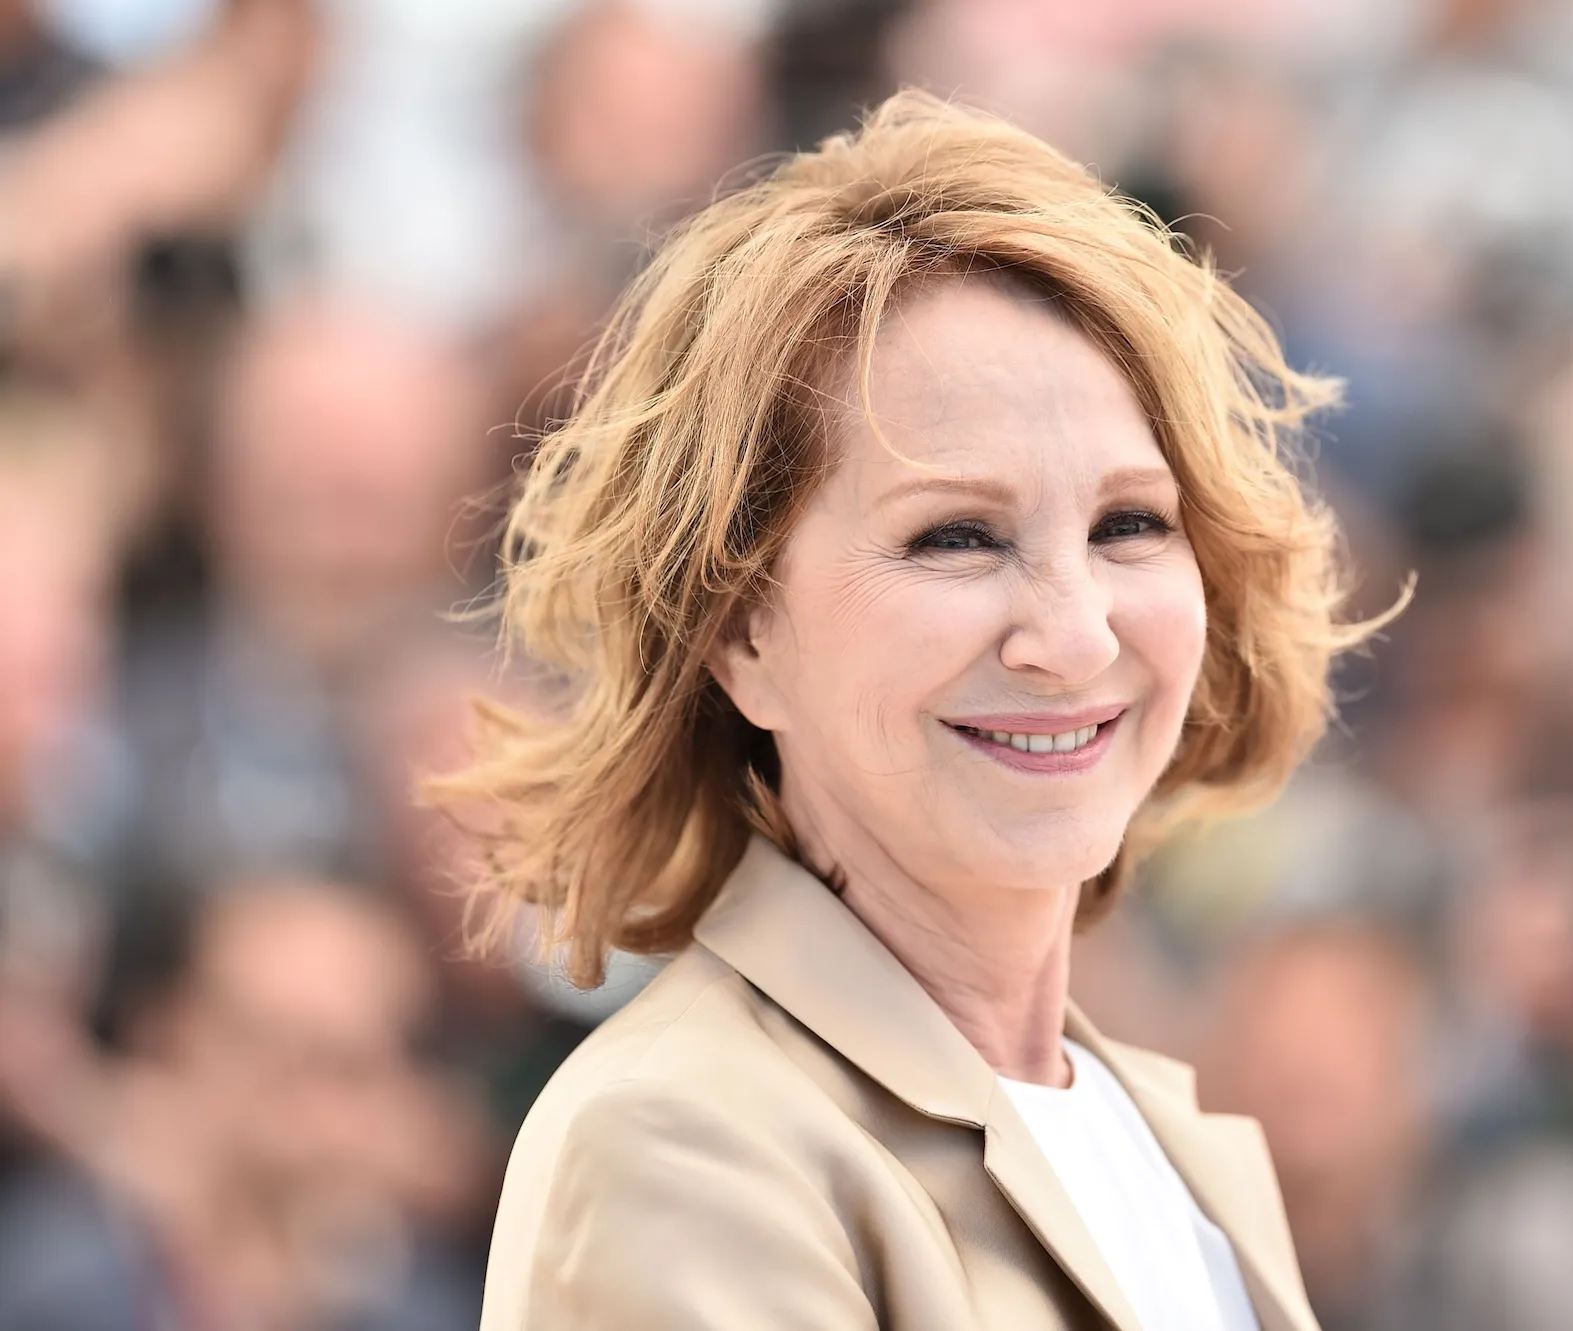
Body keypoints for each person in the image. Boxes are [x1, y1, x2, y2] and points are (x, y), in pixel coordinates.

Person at [436, 90, 1385, 1330]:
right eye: (956, 536)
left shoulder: (1161, 1137)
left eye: (1129, 524)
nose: (1075, 632)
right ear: (738, 631)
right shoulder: (680, 1141)